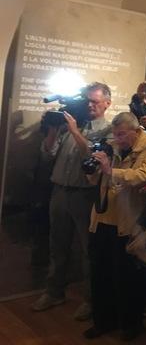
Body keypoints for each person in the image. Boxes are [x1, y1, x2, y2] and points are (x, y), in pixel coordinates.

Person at [31, 82, 112, 321]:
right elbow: (48, 154)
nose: (90, 105)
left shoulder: (108, 129)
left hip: (85, 195)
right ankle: (54, 292)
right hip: (59, 191)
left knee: (88, 250)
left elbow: (93, 156)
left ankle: (90, 299)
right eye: (87, 101)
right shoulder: (71, 124)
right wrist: (53, 129)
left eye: (95, 101)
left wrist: (76, 131)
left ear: (107, 103)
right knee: (57, 246)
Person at [83, 112, 146, 340]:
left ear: (136, 131)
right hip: (102, 219)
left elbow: (141, 176)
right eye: (115, 134)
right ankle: (102, 321)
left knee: (126, 278)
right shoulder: (112, 146)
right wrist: (94, 167)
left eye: (121, 135)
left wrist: (110, 170)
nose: (117, 139)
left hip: (128, 222)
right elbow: (96, 179)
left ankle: (130, 325)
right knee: (100, 273)